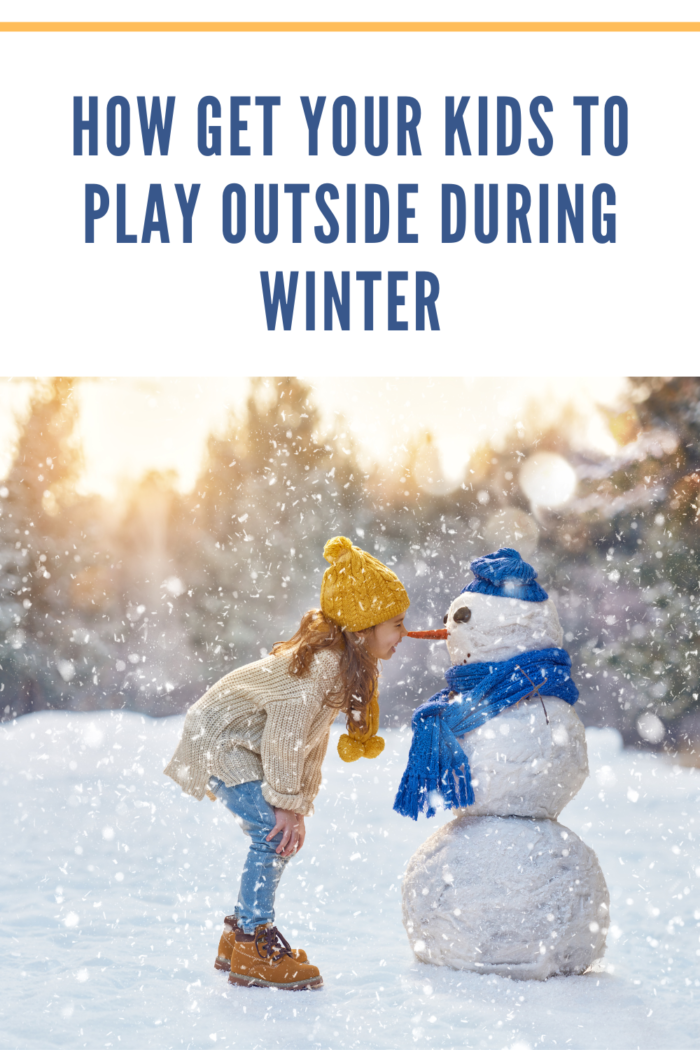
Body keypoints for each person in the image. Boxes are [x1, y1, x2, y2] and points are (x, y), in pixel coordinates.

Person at [163, 535, 410, 990]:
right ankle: (254, 942)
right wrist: (285, 805)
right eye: (396, 623)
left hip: (242, 743)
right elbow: (285, 736)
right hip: (221, 740)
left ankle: (237, 937)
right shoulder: (324, 666)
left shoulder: (342, 665)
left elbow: (308, 744)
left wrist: (297, 802)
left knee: (277, 831)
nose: (404, 633)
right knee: (271, 834)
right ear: (363, 627)